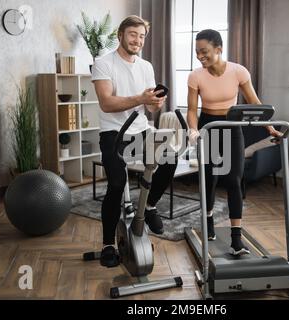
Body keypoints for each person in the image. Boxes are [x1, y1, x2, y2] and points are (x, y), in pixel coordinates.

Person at [186, 29, 282, 256]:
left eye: (205, 51)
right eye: (197, 52)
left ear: (218, 49)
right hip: (208, 127)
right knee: (209, 179)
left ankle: (236, 239)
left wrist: (270, 128)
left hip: (232, 127)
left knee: (233, 180)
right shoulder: (196, 76)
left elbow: (255, 103)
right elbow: (192, 110)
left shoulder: (238, 71)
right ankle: (208, 223)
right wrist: (193, 130)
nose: (200, 56)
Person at [92, 15, 177, 267]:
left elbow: (150, 110)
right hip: (114, 133)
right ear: (120, 35)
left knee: (171, 158)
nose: (137, 40)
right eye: (132, 34)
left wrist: (154, 102)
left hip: (141, 130)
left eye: (141, 36)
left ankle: (149, 206)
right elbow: (107, 103)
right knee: (117, 184)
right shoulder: (103, 63)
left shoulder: (146, 66)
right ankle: (108, 244)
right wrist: (141, 98)